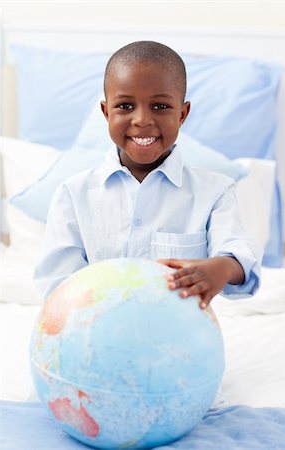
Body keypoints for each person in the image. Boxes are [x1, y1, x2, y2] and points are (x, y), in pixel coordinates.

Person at [34, 41, 262, 309]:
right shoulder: (73, 193)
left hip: (179, 342)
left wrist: (221, 268)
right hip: (96, 338)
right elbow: (57, 283)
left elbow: (238, 256)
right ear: (106, 113)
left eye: (160, 107)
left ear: (182, 114)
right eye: (126, 106)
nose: (142, 120)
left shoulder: (215, 191)